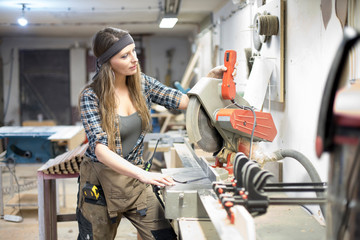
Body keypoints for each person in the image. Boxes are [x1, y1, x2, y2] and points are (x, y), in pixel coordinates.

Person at [76, 27, 227, 240]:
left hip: (135, 183)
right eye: (125, 55)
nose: (134, 59)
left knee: (164, 236)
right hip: (99, 184)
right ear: (108, 61)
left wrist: (209, 81)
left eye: (134, 51)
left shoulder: (143, 84)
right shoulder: (91, 97)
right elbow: (100, 150)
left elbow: (183, 101)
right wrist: (145, 175)